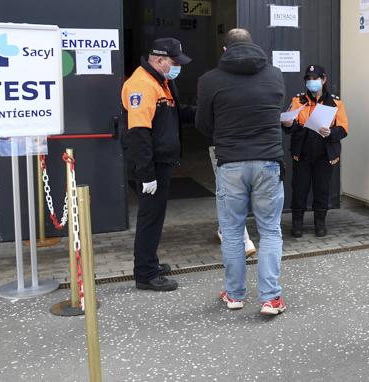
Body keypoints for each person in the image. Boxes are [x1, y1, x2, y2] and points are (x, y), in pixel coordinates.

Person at [196, 28, 287, 315]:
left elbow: (202, 124)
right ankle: (271, 298)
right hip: (268, 161)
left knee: (233, 232)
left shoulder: (209, 80)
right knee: (270, 230)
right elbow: (275, 111)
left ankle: (234, 295)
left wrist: (224, 135)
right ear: (253, 45)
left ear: (225, 50)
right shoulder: (274, 74)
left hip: (231, 162)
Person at [121, 38, 195, 292]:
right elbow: (138, 133)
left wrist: (205, 112)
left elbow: (175, 111)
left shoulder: (160, 81)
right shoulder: (141, 84)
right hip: (150, 165)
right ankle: (145, 273)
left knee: (155, 215)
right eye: (174, 63)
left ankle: (149, 262)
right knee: (149, 218)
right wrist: (146, 174)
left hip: (161, 162)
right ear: (160, 60)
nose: (177, 68)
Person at [282, 65, 349, 237]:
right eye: (308, 79)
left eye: (315, 78)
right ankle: (297, 223)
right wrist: (288, 124)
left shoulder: (335, 103)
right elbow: (289, 126)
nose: (312, 82)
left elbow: (343, 129)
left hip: (324, 155)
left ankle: (320, 223)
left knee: (322, 189)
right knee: (300, 188)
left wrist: (331, 132)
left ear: (324, 79)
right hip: (302, 154)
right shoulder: (298, 101)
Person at [208, 145, 257, 257]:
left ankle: (245, 241)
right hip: (252, 148)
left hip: (223, 145)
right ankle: (223, 229)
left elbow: (204, 127)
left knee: (227, 191)